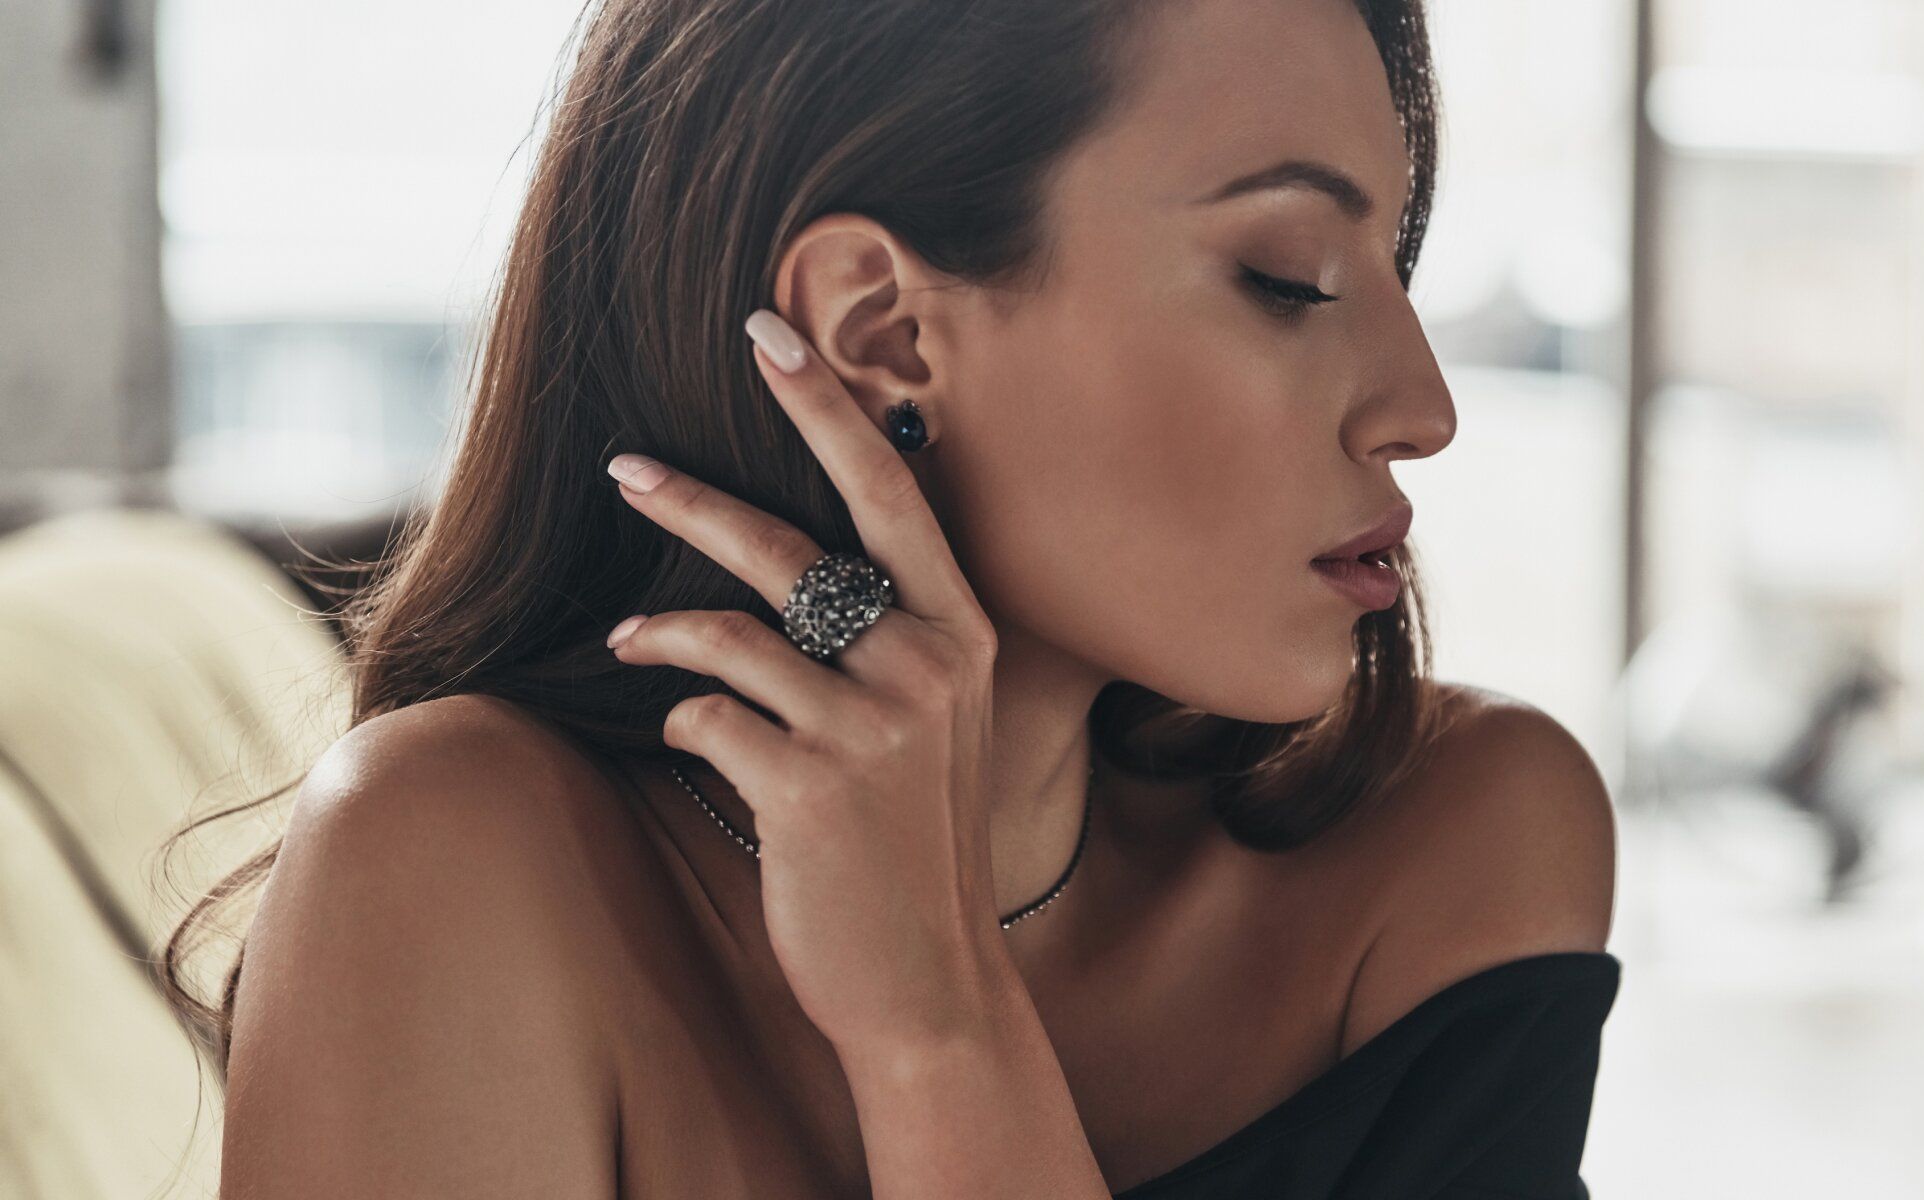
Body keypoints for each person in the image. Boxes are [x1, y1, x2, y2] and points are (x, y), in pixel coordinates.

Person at [168, 0, 1621, 1194]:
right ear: (878, 330)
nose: (1422, 407)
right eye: (1291, 277)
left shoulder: (1460, 846)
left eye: (1398, 262)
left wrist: (938, 1026)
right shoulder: (459, 866)